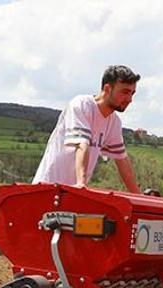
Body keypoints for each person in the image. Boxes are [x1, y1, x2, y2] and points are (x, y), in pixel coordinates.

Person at [33, 65, 141, 193]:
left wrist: (139, 197)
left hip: (72, 194)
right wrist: (81, 183)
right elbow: (82, 145)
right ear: (107, 89)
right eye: (125, 92)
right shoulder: (82, 105)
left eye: (132, 93)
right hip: (47, 188)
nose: (129, 99)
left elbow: (122, 160)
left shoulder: (114, 121)